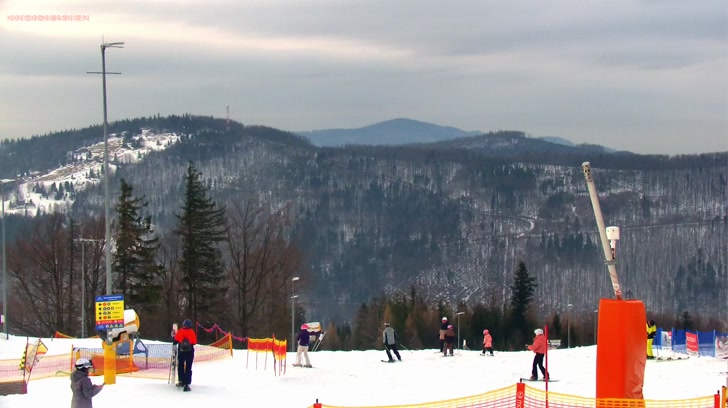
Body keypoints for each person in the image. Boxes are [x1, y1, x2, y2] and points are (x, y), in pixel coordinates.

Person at [173, 318, 197, 392]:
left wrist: (174, 336)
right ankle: (187, 384)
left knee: (180, 366)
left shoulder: (180, 331)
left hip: (181, 351)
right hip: (189, 352)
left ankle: (181, 381)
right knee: (188, 367)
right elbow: (194, 342)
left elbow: (175, 341)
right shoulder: (192, 332)